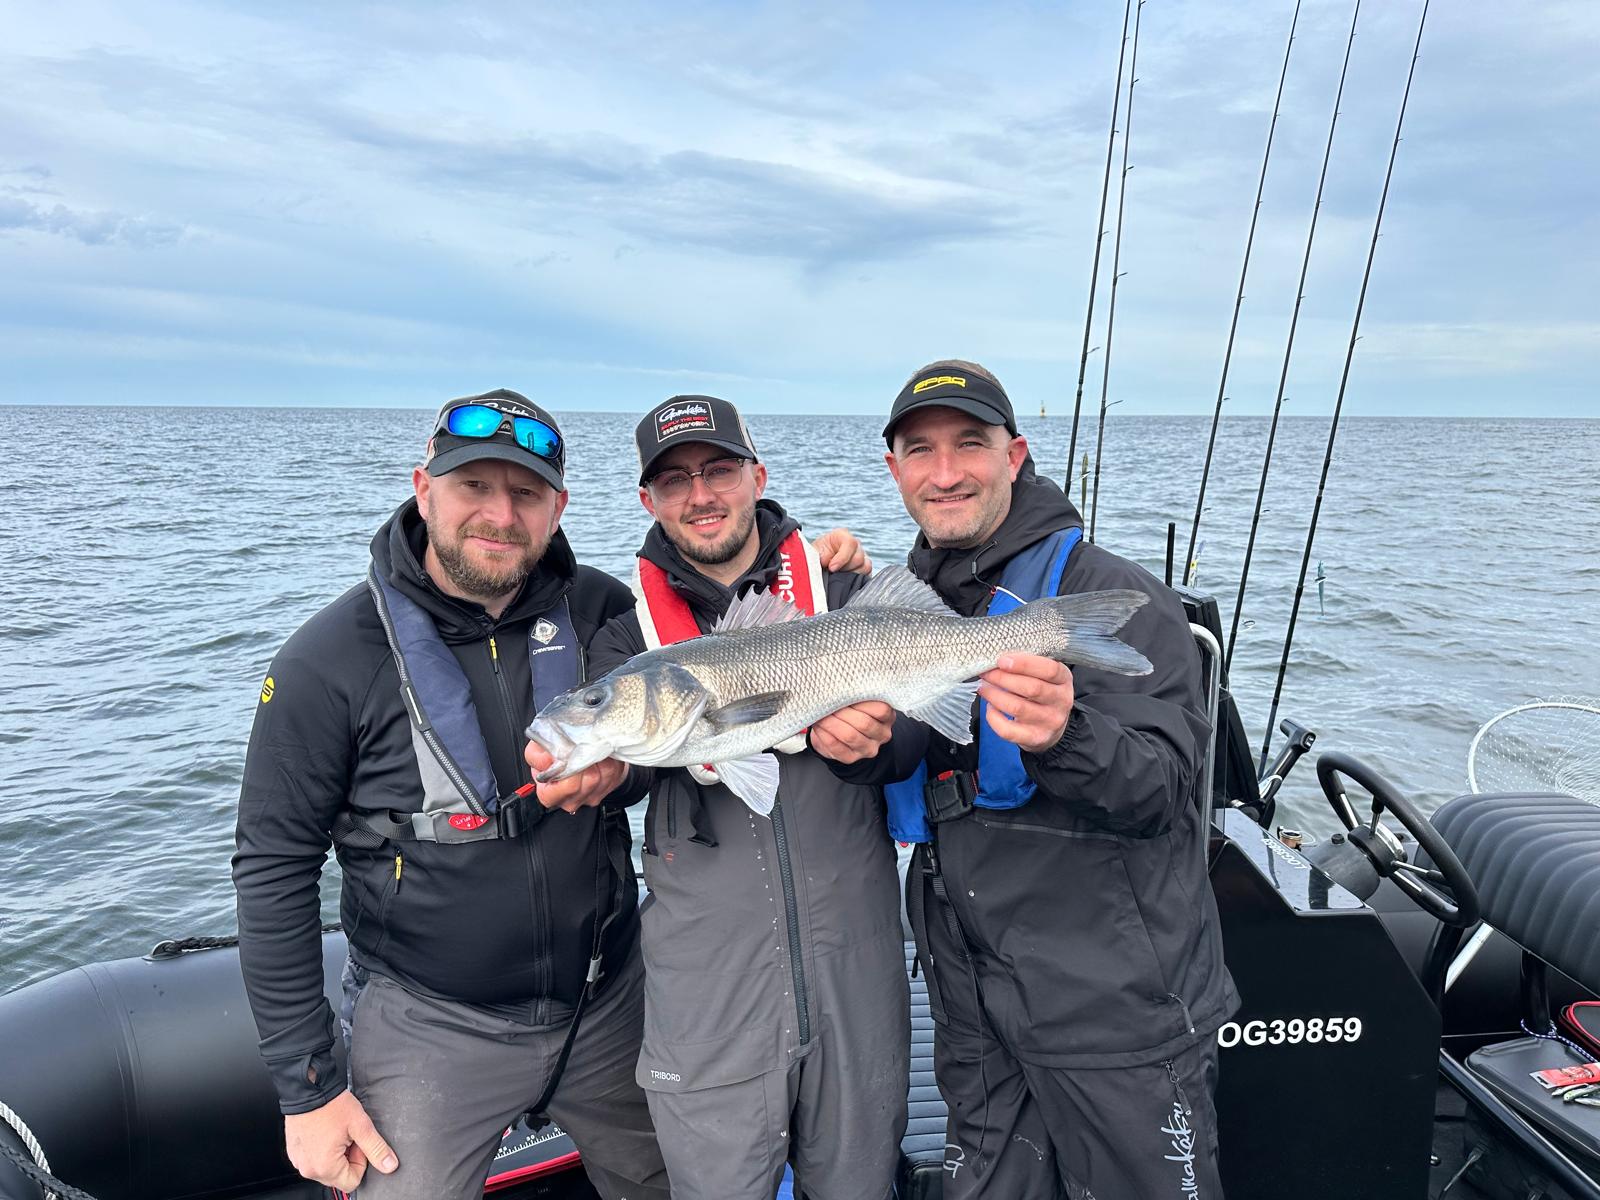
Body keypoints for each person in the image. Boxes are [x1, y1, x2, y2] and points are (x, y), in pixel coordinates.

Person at [232, 389, 673, 1199]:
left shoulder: (608, 612)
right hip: (428, 1023)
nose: (500, 515)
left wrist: (821, 564)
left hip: (612, 998)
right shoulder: (324, 661)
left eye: (527, 493)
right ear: (423, 488)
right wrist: (308, 1089)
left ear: (558, 509)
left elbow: (702, 700)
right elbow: (272, 867)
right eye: (474, 485)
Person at [865, 361, 1238, 1199]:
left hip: (1114, 1010)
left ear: (1015, 455)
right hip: (971, 1002)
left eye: (970, 444)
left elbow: (1164, 789)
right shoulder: (902, 606)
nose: (945, 472)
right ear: (894, 471)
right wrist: (858, 745)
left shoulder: (1115, 591)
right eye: (920, 451)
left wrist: (1066, 735)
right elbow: (910, 755)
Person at [529, 395, 910, 1200]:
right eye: (675, 481)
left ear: (757, 477)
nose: (700, 495)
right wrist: (604, 776)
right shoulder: (626, 631)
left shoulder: (842, 584)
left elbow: (920, 740)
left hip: (857, 966)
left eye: (719, 470)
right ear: (648, 500)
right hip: (711, 987)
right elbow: (632, 763)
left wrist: (879, 744)